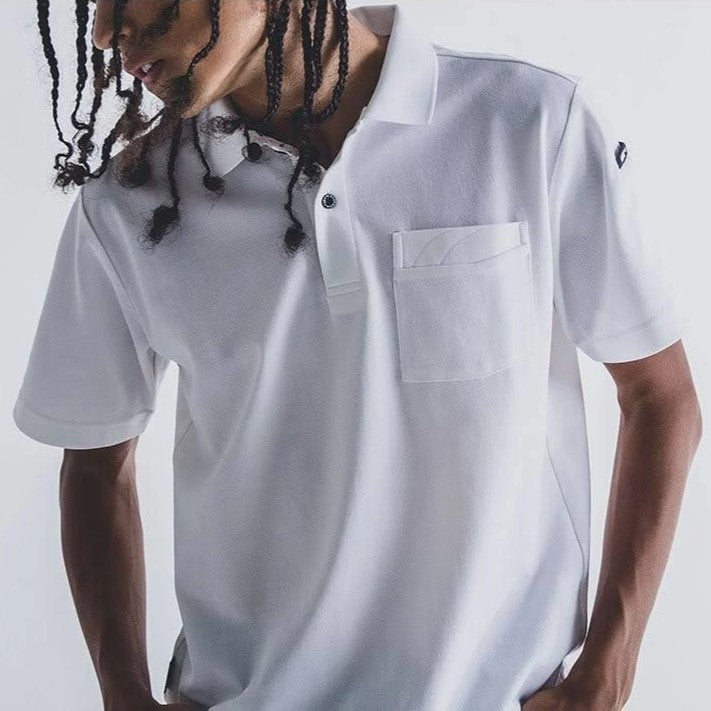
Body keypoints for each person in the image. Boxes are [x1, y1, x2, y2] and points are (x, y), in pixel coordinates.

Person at [12, 1, 701, 709]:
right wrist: (123, 692)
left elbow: (659, 395)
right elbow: (94, 461)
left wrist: (608, 669)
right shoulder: (130, 205)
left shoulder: (529, 123)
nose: (105, 32)